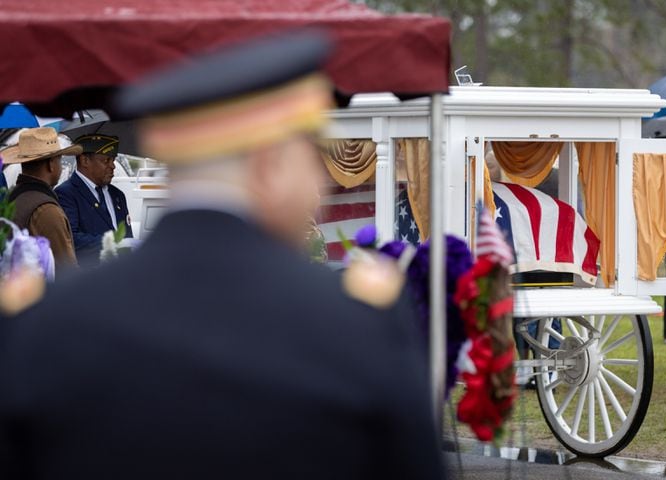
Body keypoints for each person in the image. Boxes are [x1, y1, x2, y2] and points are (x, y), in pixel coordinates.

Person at [0, 31, 444, 480]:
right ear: (270, 164)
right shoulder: (358, 323)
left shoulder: (44, 322)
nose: (315, 184)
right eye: (309, 158)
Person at [1, 128, 81, 269]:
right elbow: (67, 269)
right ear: (51, 165)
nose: (61, 166)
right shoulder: (47, 209)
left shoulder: (12, 198)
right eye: (59, 160)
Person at [55, 134, 133, 266]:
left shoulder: (117, 195)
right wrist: (114, 242)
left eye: (113, 160)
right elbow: (70, 239)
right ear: (85, 161)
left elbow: (128, 236)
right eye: (106, 161)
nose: (112, 166)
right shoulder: (66, 194)